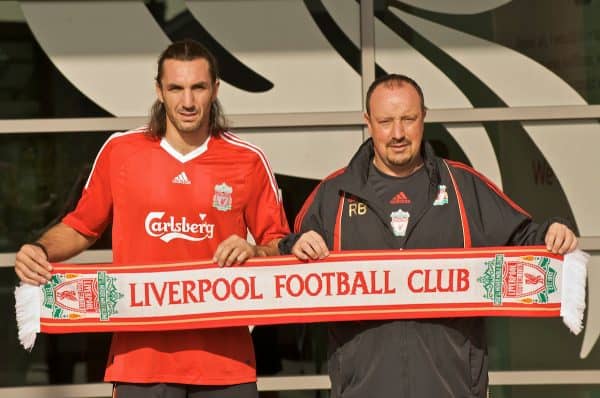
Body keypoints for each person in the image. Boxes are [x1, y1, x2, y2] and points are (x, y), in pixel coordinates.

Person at [14, 39, 290, 398]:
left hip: (225, 362)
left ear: (215, 89)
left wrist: (255, 253)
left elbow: (280, 245)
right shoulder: (120, 151)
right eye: (176, 88)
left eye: (198, 88)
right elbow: (82, 226)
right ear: (159, 90)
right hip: (141, 362)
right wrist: (39, 249)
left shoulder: (247, 160)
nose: (187, 102)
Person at [278, 74, 578, 397]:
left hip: (452, 389)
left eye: (408, 119)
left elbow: (525, 236)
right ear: (368, 122)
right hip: (363, 389)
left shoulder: (463, 187)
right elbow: (284, 262)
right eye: (385, 121)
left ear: (424, 117)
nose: (397, 133)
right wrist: (294, 246)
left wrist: (553, 231)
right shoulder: (334, 195)